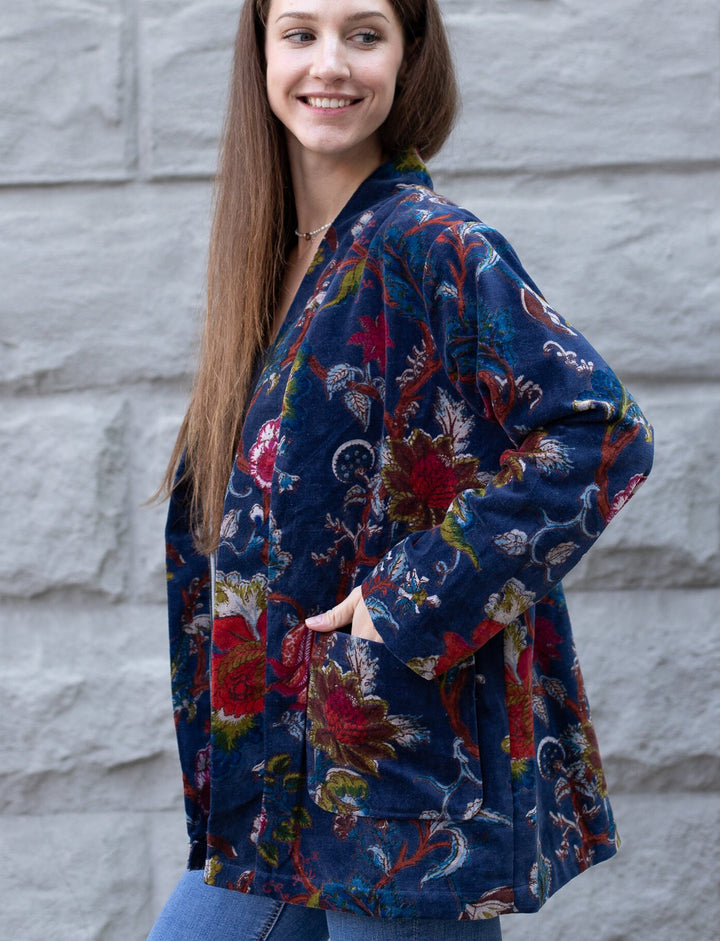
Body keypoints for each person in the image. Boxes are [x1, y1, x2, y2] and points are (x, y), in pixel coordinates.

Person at [148, 0, 654, 938]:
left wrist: (405, 598)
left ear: (408, 56)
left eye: (364, 33)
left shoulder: (432, 243)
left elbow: (599, 432)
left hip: (406, 786)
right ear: (260, 53)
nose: (329, 63)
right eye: (299, 33)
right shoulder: (276, 257)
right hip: (279, 780)